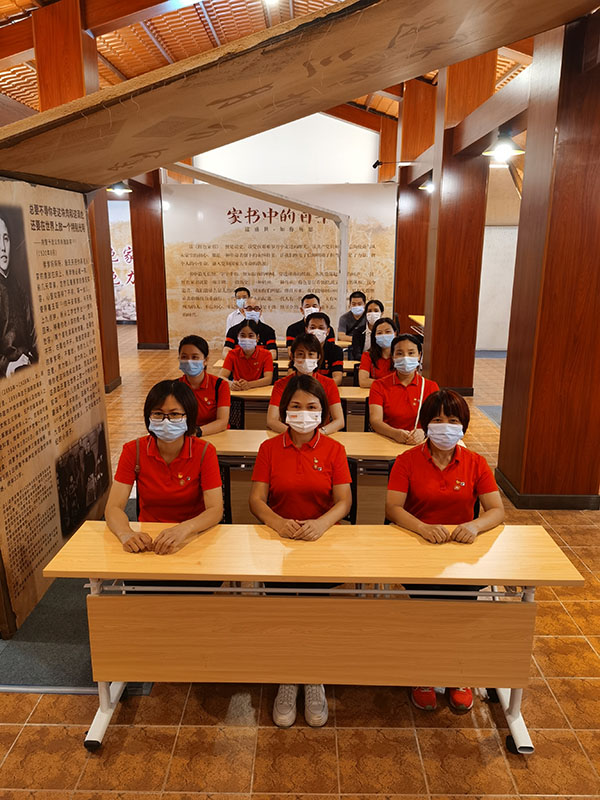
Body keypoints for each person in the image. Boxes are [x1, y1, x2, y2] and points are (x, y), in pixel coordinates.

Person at [385, 389, 505, 713]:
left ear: (463, 425)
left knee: (460, 613)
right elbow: (393, 507)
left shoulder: (476, 462)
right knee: (427, 613)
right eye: (437, 420)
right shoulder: (407, 461)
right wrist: (422, 527)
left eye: (452, 420)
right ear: (425, 424)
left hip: (460, 553)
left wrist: (475, 526)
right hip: (419, 549)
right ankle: (424, 672)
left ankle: (458, 673)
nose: (445, 427)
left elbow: (496, 510)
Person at [250, 374, 352, 727]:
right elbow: (256, 500)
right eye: (295, 406)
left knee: (315, 613)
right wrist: (277, 523)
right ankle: (287, 676)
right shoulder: (269, 449)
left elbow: (343, 501)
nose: (303, 414)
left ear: (322, 412)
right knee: (283, 613)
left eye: (311, 407)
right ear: (284, 411)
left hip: (321, 542)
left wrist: (322, 524)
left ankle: (313, 676)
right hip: (279, 541)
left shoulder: (334, 450)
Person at [106, 380, 223, 554]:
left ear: (189, 416)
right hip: (149, 540)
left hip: (192, 536)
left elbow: (215, 510)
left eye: (175, 414)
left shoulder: (205, 451)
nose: (166, 421)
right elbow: (113, 507)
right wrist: (126, 533)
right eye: (158, 414)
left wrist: (185, 528)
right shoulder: (133, 451)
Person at [266, 333, 344, 434]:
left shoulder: (329, 384)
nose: (306, 359)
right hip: (290, 435)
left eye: (311, 354)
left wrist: (319, 433)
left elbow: (339, 421)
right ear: (292, 356)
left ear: (318, 357)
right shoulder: (281, 384)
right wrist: (294, 434)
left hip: (320, 435)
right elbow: (272, 420)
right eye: (300, 354)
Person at [369, 334, 439, 444]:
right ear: (392, 357)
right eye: (399, 353)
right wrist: (395, 434)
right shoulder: (379, 385)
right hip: (387, 441)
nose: (405, 357)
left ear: (419, 355)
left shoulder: (431, 386)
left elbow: (438, 420)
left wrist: (424, 432)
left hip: (419, 443)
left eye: (411, 353)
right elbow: (375, 420)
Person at [0, 213, 38, 378]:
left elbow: (33, 330)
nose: (2, 247)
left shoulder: (19, 286)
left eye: (5, 239)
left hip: (27, 362)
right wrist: (7, 364)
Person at [178, 335, 230, 436]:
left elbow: (222, 422)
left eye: (195, 357)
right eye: (184, 357)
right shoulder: (175, 387)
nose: (189, 361)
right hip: (184, 438)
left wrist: (196, 432)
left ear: (205, 360)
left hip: (215, 436)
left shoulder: (220, 385)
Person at [219, 319, 274, 389]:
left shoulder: (266, 354)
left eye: (251, 336)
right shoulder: (232, 354)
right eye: (242, 335)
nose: (246, 339)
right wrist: (231, 383)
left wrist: (249, 384)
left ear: (257, 338)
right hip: (237, 391)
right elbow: (221, 376)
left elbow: (268, 379)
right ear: (238, 337)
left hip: (258, 390)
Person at [305, 312, 343, 386]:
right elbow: (292, 375)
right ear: (306, 330)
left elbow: (338, 379)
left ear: (327, 331)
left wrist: (319, 388)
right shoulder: (300, 349)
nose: (316, 331)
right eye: (312, 328)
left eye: (321, 328)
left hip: (326, 389)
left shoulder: (336, 350)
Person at [358, 316, 397, 388]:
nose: (384, 335)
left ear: (395, 333)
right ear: (374, 336)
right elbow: (363, 382)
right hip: (376, 392)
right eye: (379, 333)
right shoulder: (368, 355)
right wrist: (389, 383)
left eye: (387, 332)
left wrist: (377, 382)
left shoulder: (401, 355)